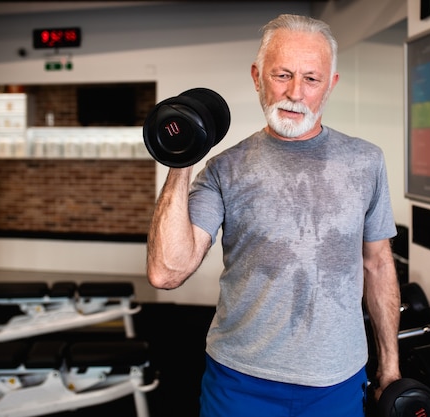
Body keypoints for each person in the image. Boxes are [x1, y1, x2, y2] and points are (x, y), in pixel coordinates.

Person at [147, 13, 401, 417]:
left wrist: (390, 363)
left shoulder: (366, 162)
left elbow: (379, 263)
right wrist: (182, 159)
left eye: (311, 79)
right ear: (257, 76)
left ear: (330, 84)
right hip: (240, 380)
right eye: (282, 75)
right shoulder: (223, 169)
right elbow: (167, 272)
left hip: (335, 379)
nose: (295, 93)